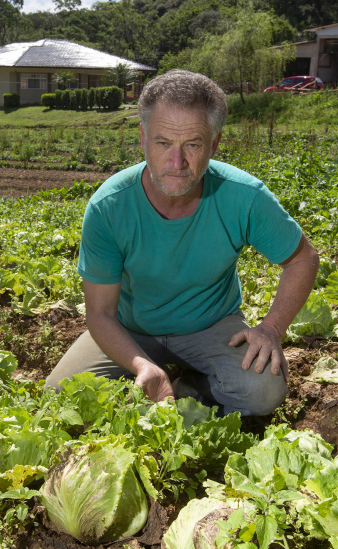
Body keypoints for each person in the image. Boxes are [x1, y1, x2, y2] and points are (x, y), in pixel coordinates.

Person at [45, 70, 319, 416]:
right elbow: (100, 314)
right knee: (61, 395)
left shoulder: (243, 196)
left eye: (193, 144)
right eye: (163, 143)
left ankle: (191, 386)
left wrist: (271, 328)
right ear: (143, 137)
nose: (177, 163)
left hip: (212, 327)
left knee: (262, 391)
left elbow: (302, 259)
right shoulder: (110, 206)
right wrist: (141, 364)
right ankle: (156, 377)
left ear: (215, 143)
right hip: (131, 331)